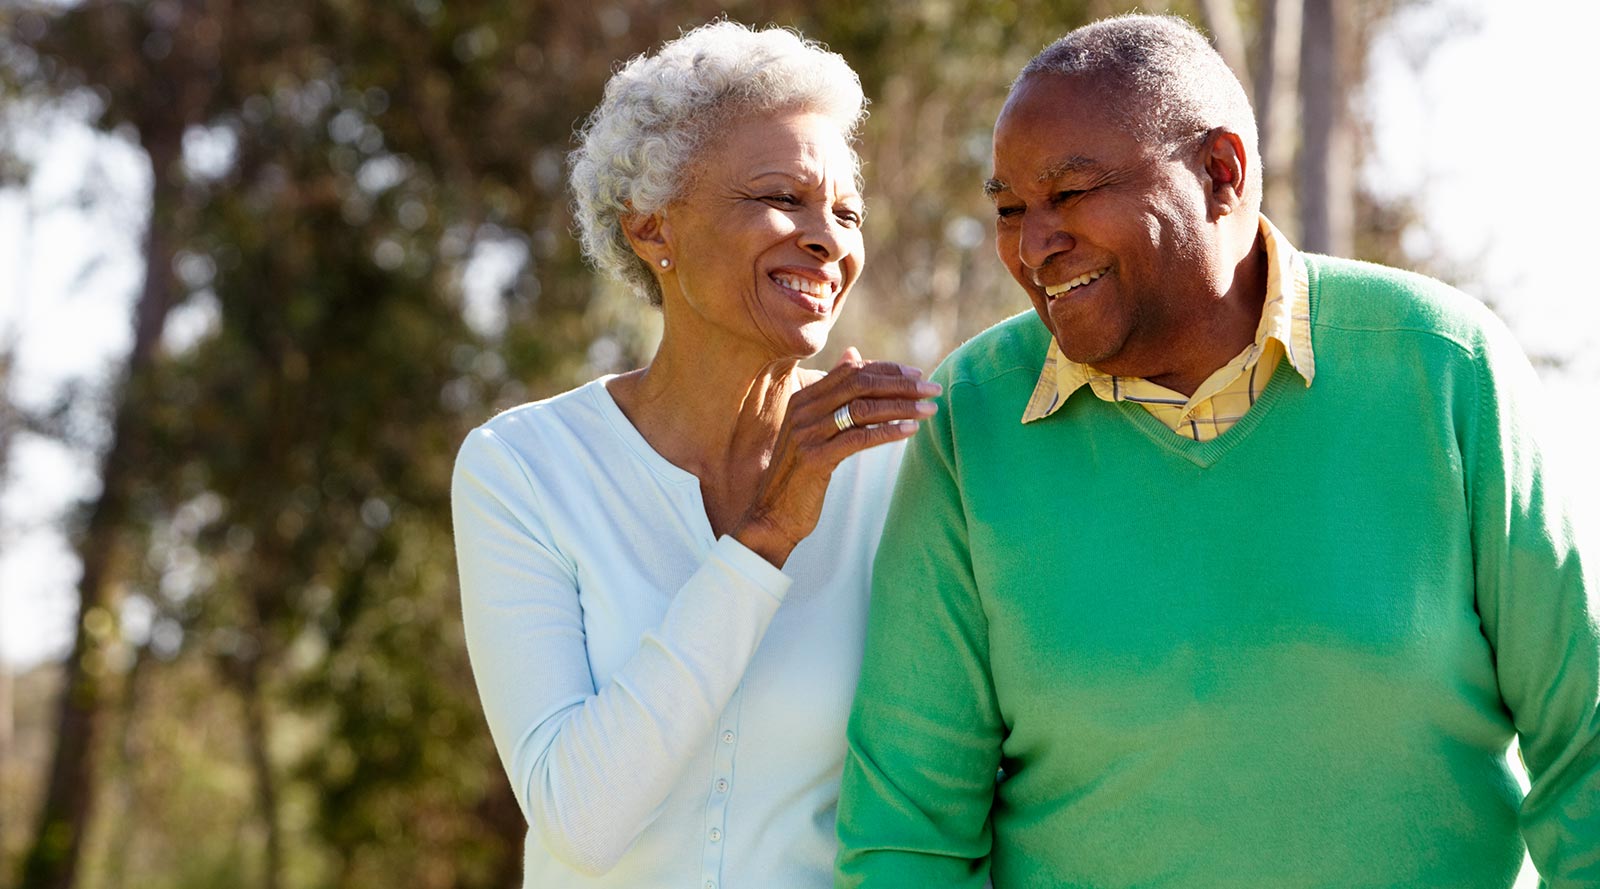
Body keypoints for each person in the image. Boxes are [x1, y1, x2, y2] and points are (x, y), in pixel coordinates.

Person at [836, 13, 1598, 888]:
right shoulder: (971, 423)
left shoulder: (1445, 366)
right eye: (1010, 210)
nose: (1033, 244)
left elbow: (1586, 744)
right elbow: (908, 830)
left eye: (1071, 193)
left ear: (1221, 173)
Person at [451, 21, 939, 889]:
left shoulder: (898, 467)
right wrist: (764, 538)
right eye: (780, 196)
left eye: (847, 211)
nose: (828, 239)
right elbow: (578, 818)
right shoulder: (522, 469)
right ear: (651, 228)